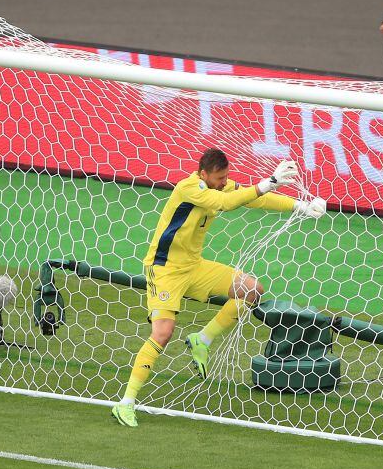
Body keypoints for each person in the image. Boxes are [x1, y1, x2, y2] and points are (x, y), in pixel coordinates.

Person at [111, 149, 326, 427]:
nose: (225, 181)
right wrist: (270, 180)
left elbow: (253, 199)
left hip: (194, 267)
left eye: (226, 176)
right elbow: (227, 203)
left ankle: (202, 339)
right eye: (220, 177)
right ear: (204, 174)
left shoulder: (219, 186)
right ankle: (126, 402)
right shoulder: (189, 188)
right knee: (163, 332)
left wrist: (299, 206)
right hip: (165, 270)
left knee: (252, 290)